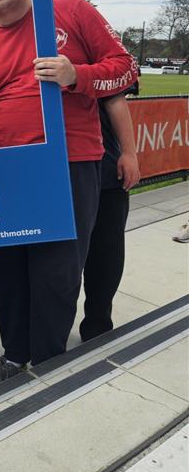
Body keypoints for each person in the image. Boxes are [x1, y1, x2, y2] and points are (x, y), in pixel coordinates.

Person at [0, 0, 137, 392]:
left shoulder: (70, 10)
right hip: (2, 169)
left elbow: (125, 68)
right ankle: (15, 355)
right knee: (6, 267)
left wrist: (78, 75)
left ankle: (49, 359)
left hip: (67, 162)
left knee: (57, 270)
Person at [80, 93, 140, 341]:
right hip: (50, 167)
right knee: (54, 261)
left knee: (106, 253)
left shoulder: (99, 53)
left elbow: (115, 99)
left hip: (104, 165)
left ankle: (97, 324)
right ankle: (48, 332)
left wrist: (129, 152)